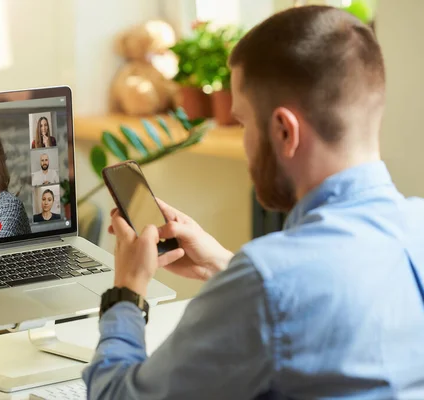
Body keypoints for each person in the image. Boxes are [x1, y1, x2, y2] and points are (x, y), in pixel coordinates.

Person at [82, 6, 424, 399]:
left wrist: (126, 291)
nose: (245, 143)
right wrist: (223, 266)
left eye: (243, 123)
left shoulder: (266, 282)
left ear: (283, 130)